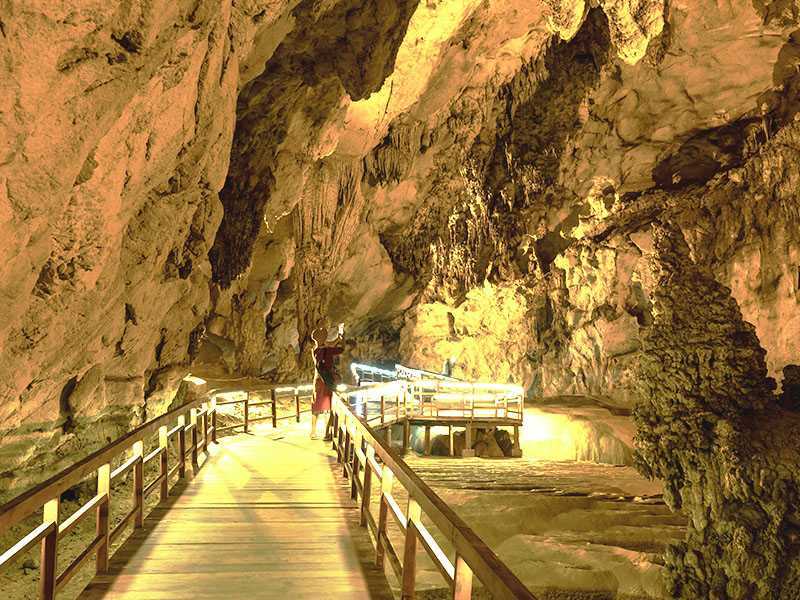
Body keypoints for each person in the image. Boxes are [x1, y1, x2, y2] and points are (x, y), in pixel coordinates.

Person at [310, 325, 344, 440]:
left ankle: (313, 432)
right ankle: (327, 433)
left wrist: (337, 338)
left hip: (317, 380)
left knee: (316, 407)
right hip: (327, 381)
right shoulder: (327, 350)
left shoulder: (314, 350)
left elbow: (329, 345)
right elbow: (341, 349)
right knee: (328, 407)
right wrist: (341, 338)